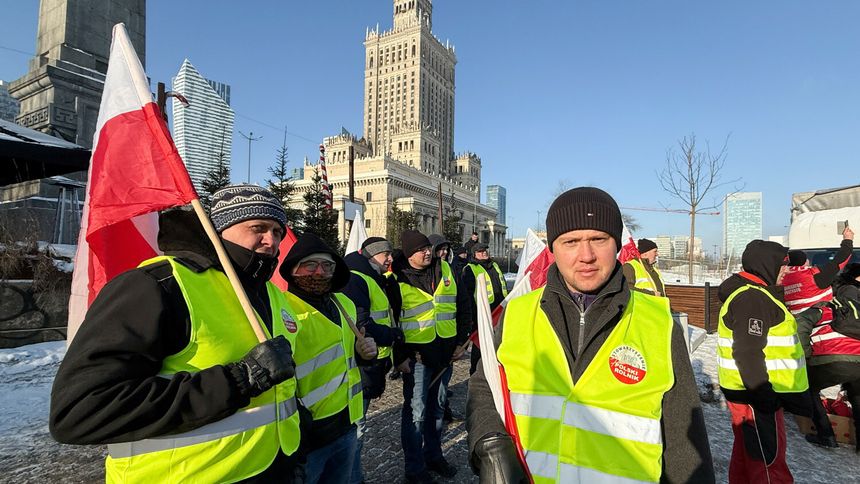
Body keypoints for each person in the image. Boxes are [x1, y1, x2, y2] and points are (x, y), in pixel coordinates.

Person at [49, 184, 305, 482]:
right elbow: (79, 411)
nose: (270, 240)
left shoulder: (271, 293)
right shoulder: (156, 285)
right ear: (220, 228)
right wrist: (240, 379)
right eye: (258, 227)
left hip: (271, 469)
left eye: (277, 231)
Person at [467, 187, 714, 483]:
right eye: (570, 241)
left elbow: (685, 443)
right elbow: (484, 385)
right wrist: (489, 441)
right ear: (552, 249)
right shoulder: (517, 313)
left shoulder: (658, 323)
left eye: (598, 239)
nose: (586, 256)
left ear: (617, 244)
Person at [280, 233, 379, 484]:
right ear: (293, 270)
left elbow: (347, 358)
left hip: (346, 424)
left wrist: (363, 354)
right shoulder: (282, 309)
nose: (319, 272)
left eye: (327, 266)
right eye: (310, 265)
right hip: (308, 435)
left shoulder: (344, 303)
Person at [717, 240, 812, 483]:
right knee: (769, 463)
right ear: (766, 265)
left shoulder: (754, 294)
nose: (786, 271)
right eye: (782, 266)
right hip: (756, 396)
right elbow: (748, 351)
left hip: (752, 395)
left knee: (747, 457)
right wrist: (764, 396)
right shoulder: (753, 298)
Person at [393, 229, 472, 483]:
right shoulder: (396, 278)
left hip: (445, 355)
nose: (427, 252)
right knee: (416, 413)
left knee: (437, 410)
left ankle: (434, 456)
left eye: (428, 248)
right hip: (416, 358)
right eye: (420, 250)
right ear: (409, 254)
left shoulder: (446, 269)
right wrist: (399, 357)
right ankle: (415, 469)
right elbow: (391, 320)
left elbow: (463, 306)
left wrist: (462, 342)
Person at [342, 236, 404, 483]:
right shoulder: (357, 278)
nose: (390, 259)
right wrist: (392, 335)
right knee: (356, 428)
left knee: (358, 427)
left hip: (374, 361)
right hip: (363, 363)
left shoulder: (375, 277)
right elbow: (361, 324)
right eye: (385, 254)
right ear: (370, 255)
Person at [781, 225, 854, 323]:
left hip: (794, 323)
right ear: (805, 262)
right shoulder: (814, 275)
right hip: (821, 322)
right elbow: (840, 260)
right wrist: (848, 240)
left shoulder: (781, 278)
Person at [461, 242, 507, 374]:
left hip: (499, 313)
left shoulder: (495, 266)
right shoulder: (470, 269)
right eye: (480, 251)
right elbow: (468, 296)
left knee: (497, 346)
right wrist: (472, 317)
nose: (484, 253)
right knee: (479, 349)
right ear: (474, 254)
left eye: (485, 250)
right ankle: (476, 374)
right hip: (481, 316)